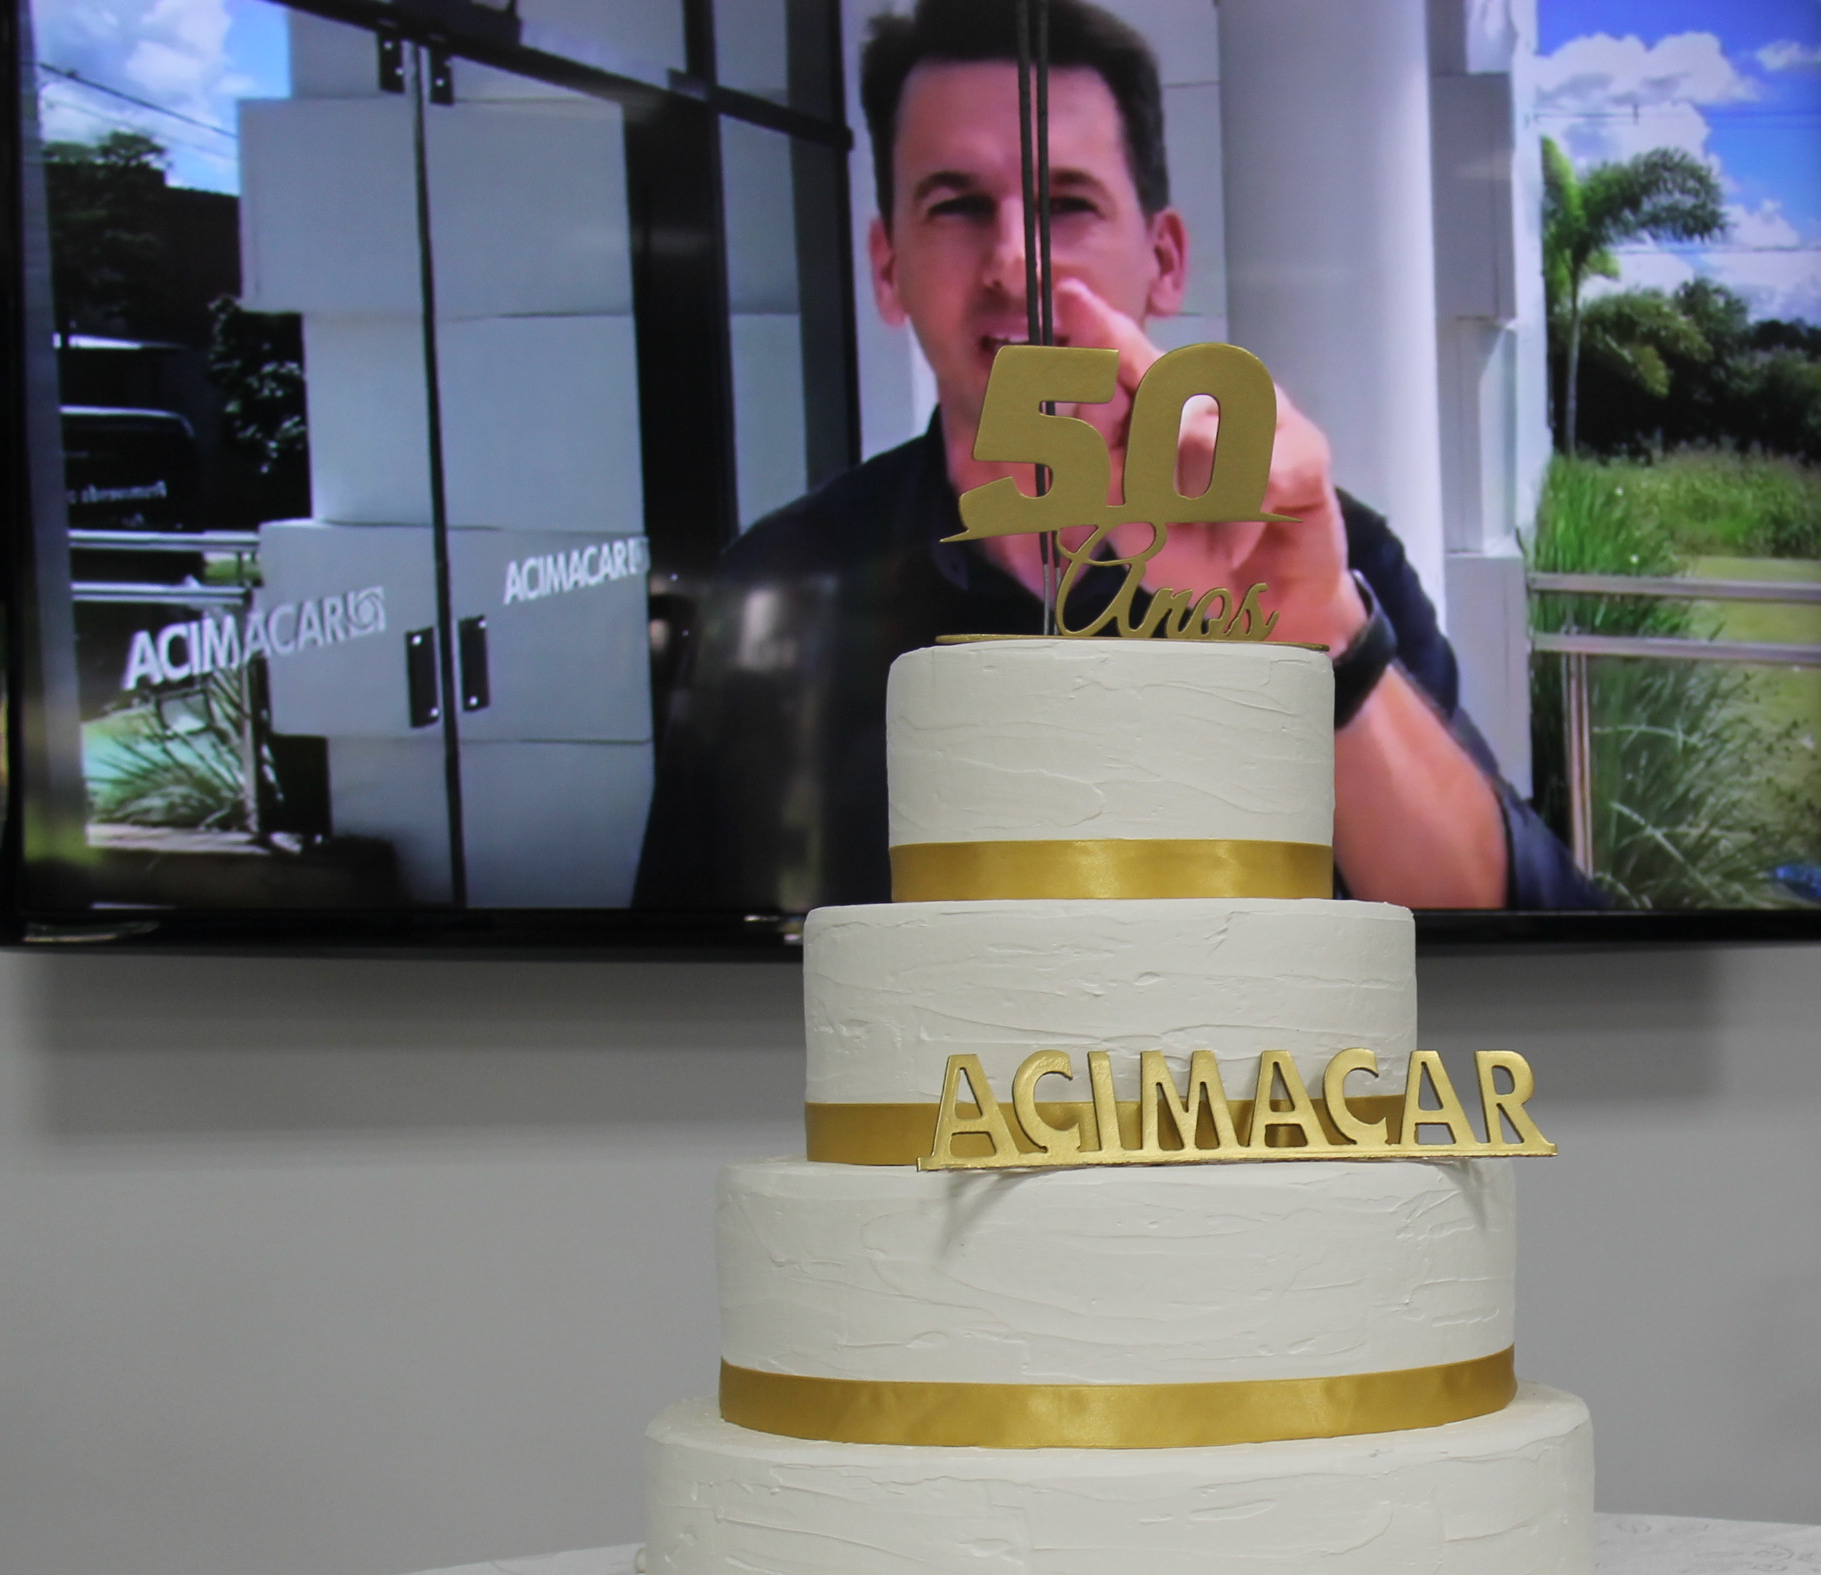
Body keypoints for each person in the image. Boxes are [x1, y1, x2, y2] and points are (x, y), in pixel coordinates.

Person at [633, 0, 1595, 914]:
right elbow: (674, 992)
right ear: (889, 269)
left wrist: (1320, 638)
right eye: (957, 206)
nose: (1014, 263)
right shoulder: (776, 589)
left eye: (1067, 203)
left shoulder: (1331, 562)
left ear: (1165, 260)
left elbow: (1524, 949)